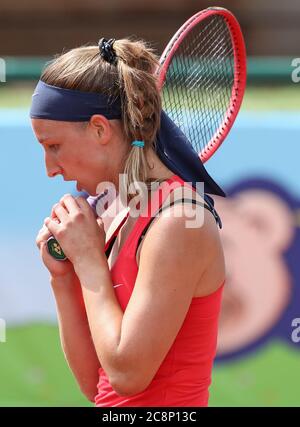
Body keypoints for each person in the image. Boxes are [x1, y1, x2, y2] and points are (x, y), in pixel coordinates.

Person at [32, 38, 226, 407]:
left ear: (100, 129)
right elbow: (97, 384)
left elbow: (127, 376)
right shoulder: (119, 211)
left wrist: (89, 260)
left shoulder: (178, 221)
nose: (50, 169)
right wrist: (64, 278)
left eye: (53, 146)